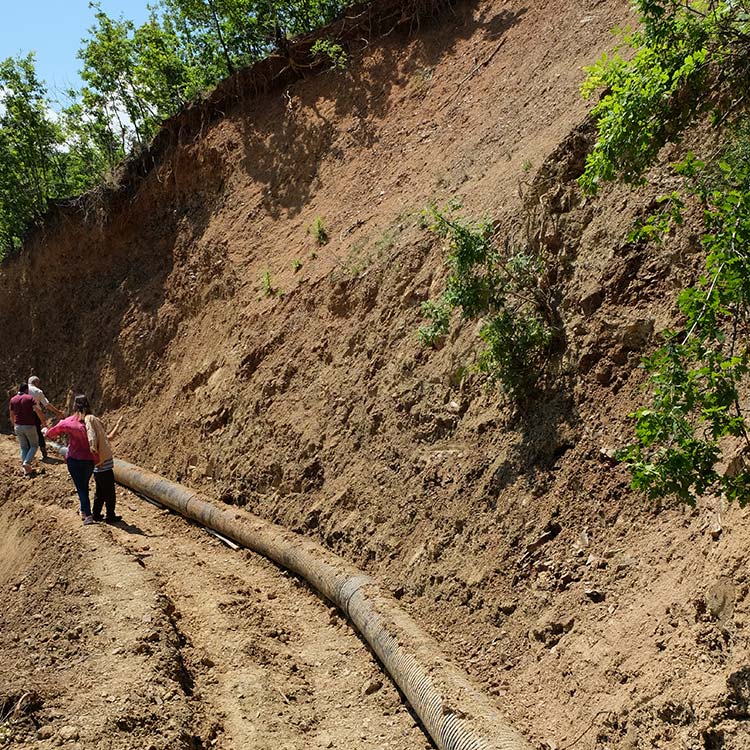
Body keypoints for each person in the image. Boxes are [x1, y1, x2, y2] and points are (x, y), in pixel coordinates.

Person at [44, 395, 97, 525]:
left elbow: (52, 433)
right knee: (83, 485)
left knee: (80, 488)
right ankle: (83, 510)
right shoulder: (93, 421)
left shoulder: (69, 421)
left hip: (74, 459)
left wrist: (45, 430)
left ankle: (88, 515)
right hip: (90, 460)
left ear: (74, 406)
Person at [86, 412, 124, 523]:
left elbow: (111, 437)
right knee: (110, 494)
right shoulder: (96, 440)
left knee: (100, 494)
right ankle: (110, 516)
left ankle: (96, 514)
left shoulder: (100, 438)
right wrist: (99, 462)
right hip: (104, 470)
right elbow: (93, 449)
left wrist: (118, 425)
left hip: (99, 471)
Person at [9, 383, 46, 476]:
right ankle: (27, 463)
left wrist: (14, 424)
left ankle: (26, 470)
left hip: (18, 426)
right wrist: (43, 422)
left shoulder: (13, 399)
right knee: (34, 445)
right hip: (29, 425)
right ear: (26, 390)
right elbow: (38, 410)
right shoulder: (29, 398)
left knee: (23, 447)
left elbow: (11, 414)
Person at [27, 376, 64, 460]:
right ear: (36, 382)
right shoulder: (37, 391)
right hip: (34, 414)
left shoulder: (22, 390)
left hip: (23, 415)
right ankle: (44, 453)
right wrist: (58, 412)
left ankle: (27, 456)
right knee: (39, 433)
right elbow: (46, 405)